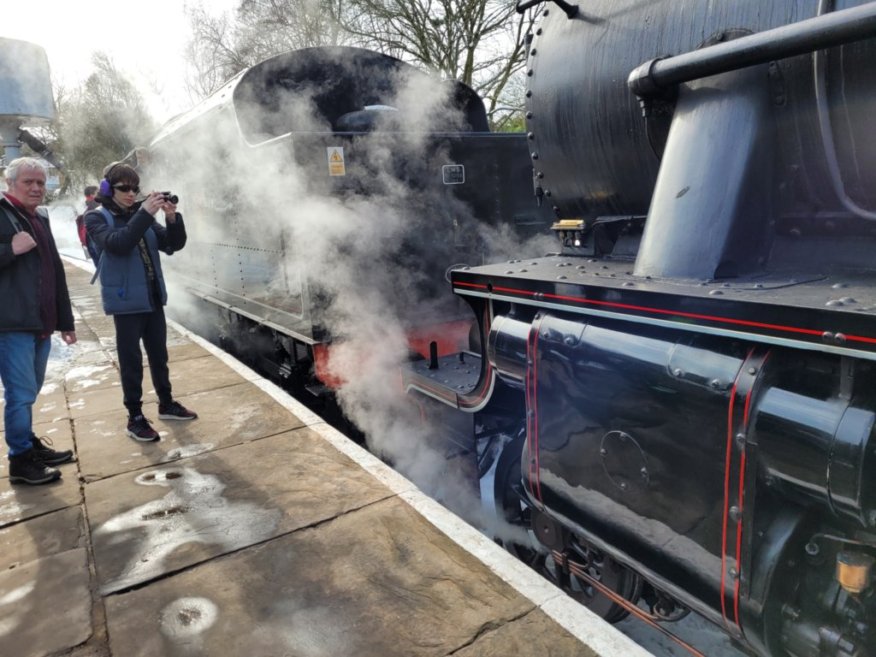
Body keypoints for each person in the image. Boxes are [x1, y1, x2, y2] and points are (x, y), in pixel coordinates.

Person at [85, 162, 197, 442]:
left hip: (152, 297)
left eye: (135, 188)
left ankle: (166, 403)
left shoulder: (140, 214)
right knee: (131, 361)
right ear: (108, 189)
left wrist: (172, 219)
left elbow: (172, 245)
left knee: (159, 355)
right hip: (125, 301)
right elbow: (119, 243)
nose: (131, 193)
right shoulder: (95, 218)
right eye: (124, 188)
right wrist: (146, 213)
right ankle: (134, 416)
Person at [0, 157, 77, 485]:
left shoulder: (40, 216)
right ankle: (20, 460)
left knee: (29, 390)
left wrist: (66, 321)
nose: (35, 188)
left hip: (41, 322)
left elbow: (55, 272)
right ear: (10, 183)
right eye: (28, 182)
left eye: (40, 183)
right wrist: (9, 250)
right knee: (20, 392)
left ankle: (27, 442)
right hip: (13, 323)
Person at [76, 185, 98, 256]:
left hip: (88, 241)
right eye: (98, 193)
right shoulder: (96, 205)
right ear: (92, 195)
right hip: (96, 242)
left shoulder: (86, 208)